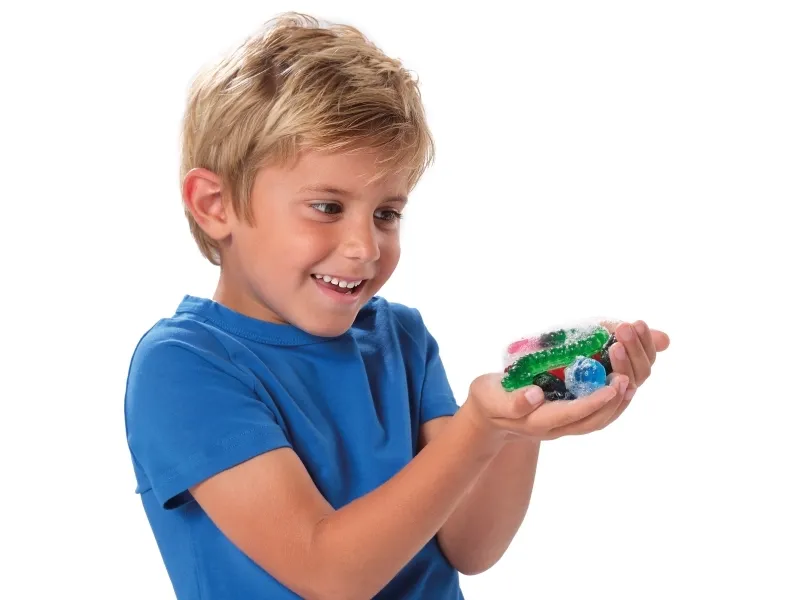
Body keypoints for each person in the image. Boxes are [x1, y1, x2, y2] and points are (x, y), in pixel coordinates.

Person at [123, 12, 670, 599]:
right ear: (215, 204)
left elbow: (471, 545)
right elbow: (330, 571)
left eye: (386, 213)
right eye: (327, 207)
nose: (365, 247)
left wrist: (522, 415)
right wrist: (479, 426)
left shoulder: (400, 338)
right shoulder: (183, 366)